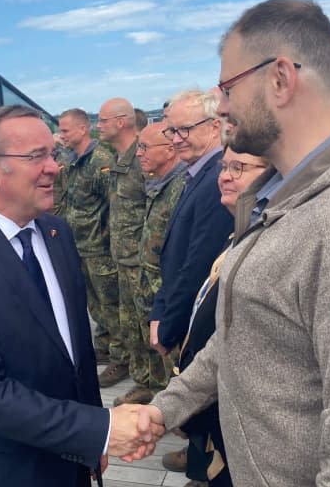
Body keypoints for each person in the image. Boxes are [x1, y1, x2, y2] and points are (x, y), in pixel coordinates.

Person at [130, 0, 330, 486]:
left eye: (227, 88)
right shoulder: (283, 196)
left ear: (280, 78)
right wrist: (166, 408)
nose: (223, 108)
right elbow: (247, 334)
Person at [0, 105, 164, 487]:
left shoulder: (57, 234)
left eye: (52, 153)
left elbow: (76, 355)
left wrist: (90, 444)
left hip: (69, 458)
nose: (54, 167)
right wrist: (99, 429)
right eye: (36, 156)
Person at [175, 146, 268, 487]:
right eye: (224, 166)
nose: (225, 176)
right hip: (218, 411)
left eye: (239, 167)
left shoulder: (270, 243)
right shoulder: (242, 234)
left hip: (251, 432)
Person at [150, 90, 233, 356]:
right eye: (171, 131)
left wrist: (169, 326)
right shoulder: (199, 174)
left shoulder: (217, 180)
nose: (175, 139)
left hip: (196, 328)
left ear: (215, 127)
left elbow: (199, 264)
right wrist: (159, 310)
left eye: (184, 130)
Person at [116, 122, 187, 408]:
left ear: (169, 150)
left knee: (177, 358)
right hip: (151, 285)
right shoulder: (161, 182)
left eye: (144, 148)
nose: (139, 154)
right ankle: (159, 394)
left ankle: (181, 418)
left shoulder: (181, 186)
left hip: (168, 291)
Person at [56, 108, 120, 368]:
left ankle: (121, 358)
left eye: (65, 130)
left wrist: (104, 240)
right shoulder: (73, 160)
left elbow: (113, 206)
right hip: (79, 245)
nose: (61, 136)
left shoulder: (101, 160)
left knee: (111, 305)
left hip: (100, 249)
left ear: (83, 129)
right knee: (95, 304)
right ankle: (104, 347)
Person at [96, 97, 145, 389]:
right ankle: (142, 377)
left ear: (121, 122)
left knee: (147, 324)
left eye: (102, 121)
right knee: (130, 323)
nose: (97, 126)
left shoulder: (143, 159)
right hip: (121, 256)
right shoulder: (116, 159)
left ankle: (160, 385)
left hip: (142, 261)